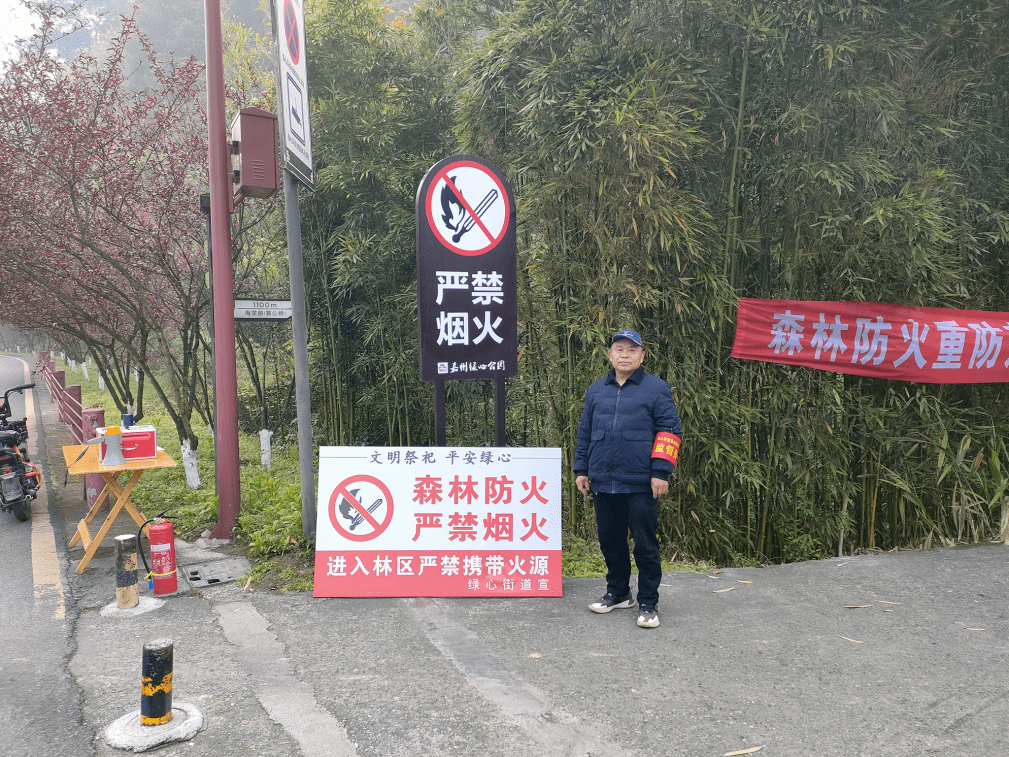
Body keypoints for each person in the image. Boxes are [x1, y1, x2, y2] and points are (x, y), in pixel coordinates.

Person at [574, 329, 681, 628]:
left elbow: (670, 431)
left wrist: (661, 472)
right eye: (619, 349)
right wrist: (582, 469)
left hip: (641, 482)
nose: (625, 354)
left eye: (632, 350)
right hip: (603, 480)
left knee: (645, 544)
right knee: (611, 541)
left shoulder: (656, 388)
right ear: (609, 355)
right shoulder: (597, 390)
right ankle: (619, 593)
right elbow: (585, 432)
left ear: (642, 356)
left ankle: (648, 602)